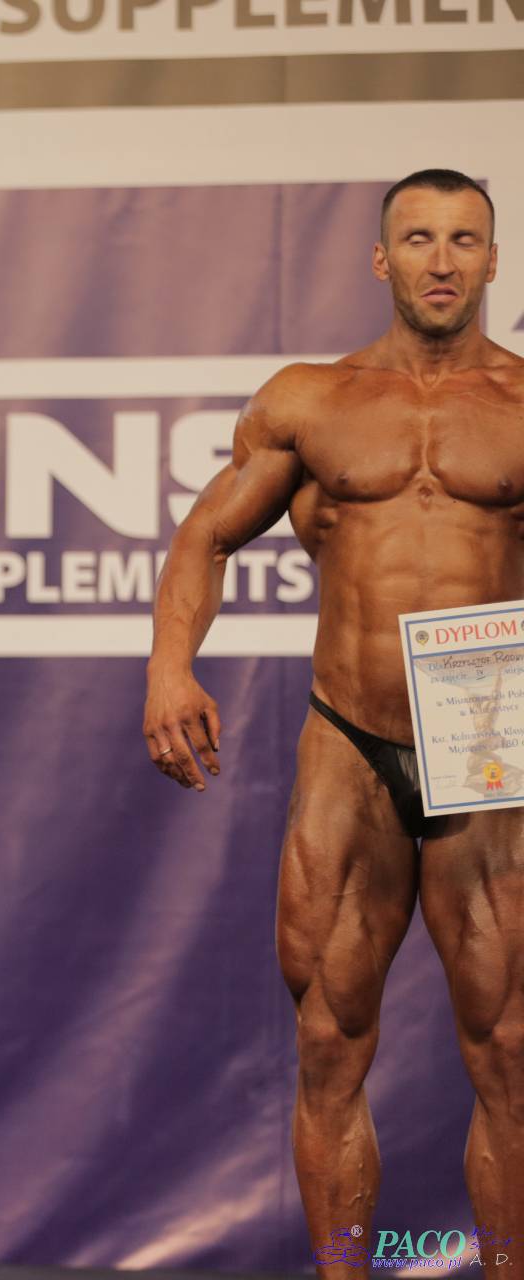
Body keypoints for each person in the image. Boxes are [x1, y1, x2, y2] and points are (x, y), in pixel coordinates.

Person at [144, 168, 521, 1275]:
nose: (443, 260)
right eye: (420, 238)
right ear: (381, 259)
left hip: (484, 733)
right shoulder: (312, 400)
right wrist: (170, 668)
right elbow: (207, 536)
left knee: (508, 1048)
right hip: (350, 740)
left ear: (494, 261)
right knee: (326, 1038)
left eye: (464, 240)